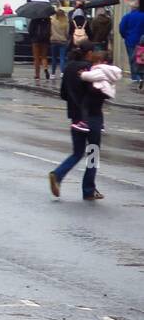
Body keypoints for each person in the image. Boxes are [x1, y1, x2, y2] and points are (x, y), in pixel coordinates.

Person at [50, 40, 107, 201]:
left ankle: (58, 174)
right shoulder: (89, 69)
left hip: (75, 115)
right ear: (89, 53)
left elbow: (63, 94)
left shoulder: (68, 68)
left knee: (77, 152)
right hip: (92, 115)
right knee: (93, 152)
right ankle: (88, 189)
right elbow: (95, 90)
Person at [119, 1, 144, 88]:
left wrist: (126, 36)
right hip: (142, 42)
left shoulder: (127, 17)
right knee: (142, 59)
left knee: (133, 59)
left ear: (132, 8)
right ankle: (142, 76)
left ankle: (136, 78)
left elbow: (122, 28)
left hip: (131, 41)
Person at [29, 8, 52, 81]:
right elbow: (49, 30)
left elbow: (30, 30)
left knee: (36, 58)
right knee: (44, 57)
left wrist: (32, 37)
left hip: (36, 40)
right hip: (45, 40)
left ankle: (37, 75)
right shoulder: (48, 19)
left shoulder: (34, 19)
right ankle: (45, 69)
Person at [50, 5, 71, 79]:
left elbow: (50, 31)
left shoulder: (52, 20)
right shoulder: (66, 22)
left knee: (54, 58)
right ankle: (62, 72)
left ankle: (53, 74)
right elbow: (67, 33)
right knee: (62, 58)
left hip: (54, 40)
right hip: (63, 41)